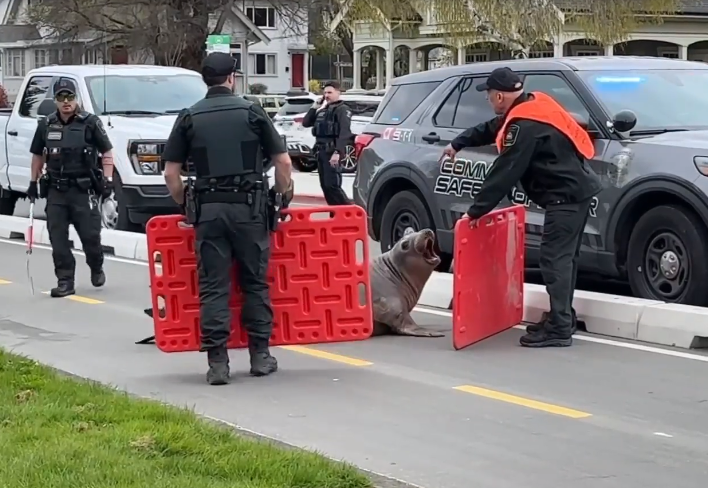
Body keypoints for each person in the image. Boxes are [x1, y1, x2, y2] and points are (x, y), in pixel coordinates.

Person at [441, 67, 603, 348]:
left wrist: (476, 211)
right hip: (576, 191)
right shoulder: (534, 104)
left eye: (490, 96)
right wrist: (459, 142)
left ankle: (560, 327)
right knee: (565, 259)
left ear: (500, 96)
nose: (489, 101)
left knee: (555, 260)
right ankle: (562, 316)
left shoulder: (524, 126)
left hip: (565, 197)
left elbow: (505, 171)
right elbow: (493, 128)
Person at [161, 52, 294, 386]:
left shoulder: (189, 117)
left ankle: (217, 364)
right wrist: (282, 195)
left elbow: (171, 174)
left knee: (213, 287)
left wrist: (185, 205)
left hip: (209, 211)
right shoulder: (251, 111)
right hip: (249, 210)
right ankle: (260, 356)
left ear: (206, 79)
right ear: (232, 78)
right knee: (254, 282)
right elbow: (283, 162)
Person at [28, 77, 115, 298]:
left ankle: (96, 265)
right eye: (61, 97)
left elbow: (106, 152)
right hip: (56, 189)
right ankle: (65, 280)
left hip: (82, 189)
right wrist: (32, 181)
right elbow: (38, 155)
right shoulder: (46, 124)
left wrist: (108, 179)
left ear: (76, 98)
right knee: (57, 238)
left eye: (70, 97)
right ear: (55, 100)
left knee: (90, 237)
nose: (66, 102)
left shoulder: (90, 123)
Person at [301, 81, 352, 206]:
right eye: (325, 93)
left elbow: (344, 133)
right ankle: (335, 216)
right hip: (321, 152)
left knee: (332, 185)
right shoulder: (322, 111)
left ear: (338, 93)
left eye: (330, 92)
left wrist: (337, 152)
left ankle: (348, 212)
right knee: (325, 186)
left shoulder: (342, 110)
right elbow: (306, 123)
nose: (327, 95)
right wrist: (314, 107)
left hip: (332, 152)